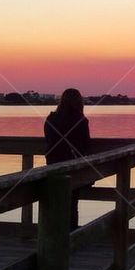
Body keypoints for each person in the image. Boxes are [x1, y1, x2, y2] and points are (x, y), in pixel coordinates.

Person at [44, 88, 90, 229]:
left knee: (54, 203)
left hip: (53, 166)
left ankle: (52, 234)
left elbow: (49, 140)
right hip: (73, 166)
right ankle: (70, 236)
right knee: (72, 204)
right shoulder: (81, 120)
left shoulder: (51, 119)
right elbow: (85, 145)